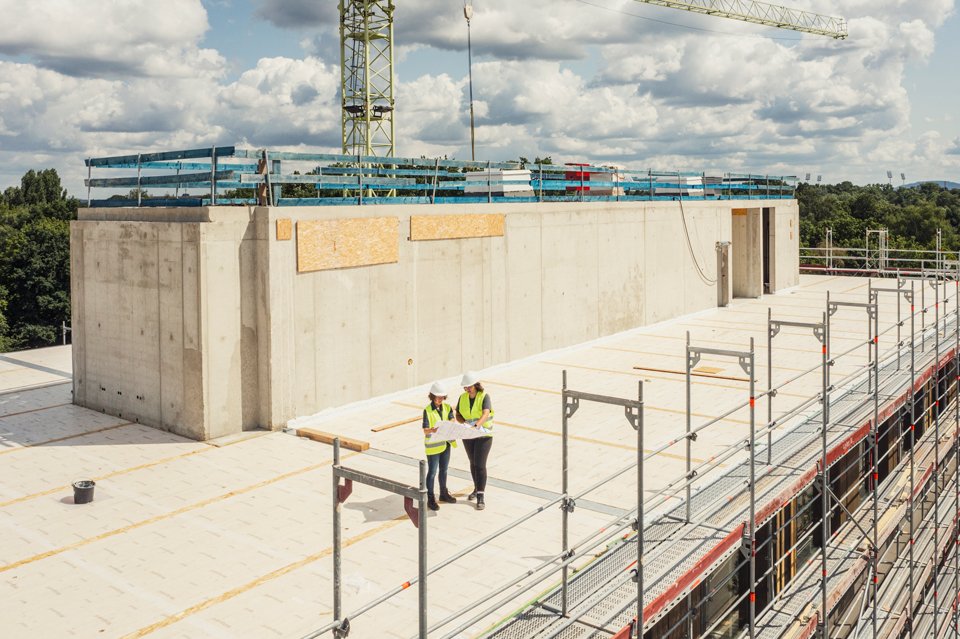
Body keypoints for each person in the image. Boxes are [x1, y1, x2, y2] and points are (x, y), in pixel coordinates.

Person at [456, 371, 493, 510]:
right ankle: (477, 488)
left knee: (480, 464)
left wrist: (476, 426)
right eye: (465, 387)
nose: (467, 389)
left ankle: (481, 496)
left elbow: (486, 413)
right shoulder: (462, 397)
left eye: (469, 386)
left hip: (484, 435)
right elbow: (458, 414)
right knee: (472, 462)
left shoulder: (484, 396)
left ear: (476, 385)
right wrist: (464, 423)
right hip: (468, 434)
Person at [423, 381, 458, 511]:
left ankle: (443, 493)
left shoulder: (447, 407)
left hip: (446, 444)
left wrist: (449, 423)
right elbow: (425, 429)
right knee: (432, 472)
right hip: (433, 447)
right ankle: (430, 498)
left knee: (444, 470)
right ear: (432, 396)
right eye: (437, 397)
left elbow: (452, 419)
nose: (440, 399)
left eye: (442, 397)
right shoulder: (427, 410)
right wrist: (432, 430)